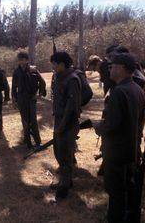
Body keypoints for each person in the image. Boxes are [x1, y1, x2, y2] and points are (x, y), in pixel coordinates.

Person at [92, 53, 145, 222]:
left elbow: (111, 126)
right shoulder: (137, 88)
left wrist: (97, 126)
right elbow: (141, 118)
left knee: (115, 191)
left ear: (122, 68)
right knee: (128, 186)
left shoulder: (118, 92)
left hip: (116, 151)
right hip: (131, 148)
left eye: (112, 66)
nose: (109, 68)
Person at [50, 51, 81, 200]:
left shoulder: (72, 79)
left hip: (67, 122)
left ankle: (64, 188)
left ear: (62, 64)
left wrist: (62, 126)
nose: (53, 67)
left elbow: (72, 107)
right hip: (59, 120)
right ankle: (66, 181)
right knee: (59, 152)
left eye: (54, 64)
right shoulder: (59, 77)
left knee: (65, 156)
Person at [12, 51, 46, 149]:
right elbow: (14, 87)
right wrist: (13, 100)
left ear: (27, 60)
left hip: (31, 98)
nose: (21, 62)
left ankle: (38, 141)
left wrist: (39, 95)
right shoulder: (16, 72)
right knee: (25, 120)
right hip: (21, 99)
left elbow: (42, 83)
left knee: (33, 121)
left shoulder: (33, 70)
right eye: (19, 60)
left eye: (23, 60)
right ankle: (27, 140)